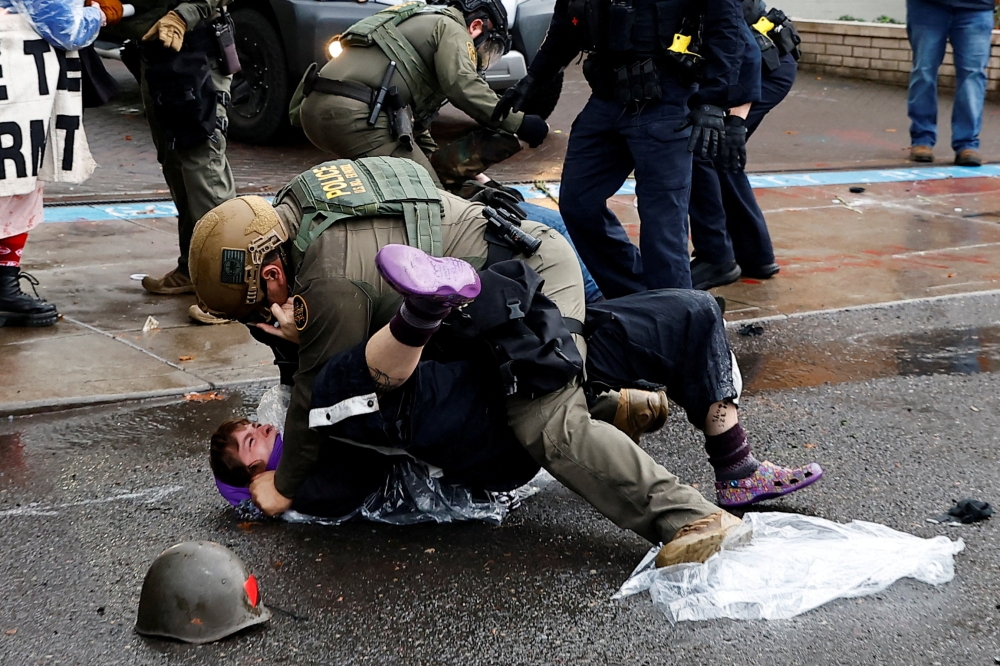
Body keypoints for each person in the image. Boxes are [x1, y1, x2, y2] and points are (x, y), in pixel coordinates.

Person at [190, 157, 822, 565]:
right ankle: (613, 403)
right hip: (497, 267)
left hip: (524, 278)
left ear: (273, 270)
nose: (259, 320)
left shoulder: (327, 282)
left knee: (542, 418)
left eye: (256, 306)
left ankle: (691, 520)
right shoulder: (300, 204)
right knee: (494, 387)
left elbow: (318, 400)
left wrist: (285, 486)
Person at [494, 0, 747, 297]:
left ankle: (677, 325)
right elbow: (567, 25)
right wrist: (534, 78)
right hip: (607, 98)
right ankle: (636, 299)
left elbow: (727, 29)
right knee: (579, 204)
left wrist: (715, 101)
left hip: (665, 101)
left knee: (661, 232)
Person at [292, 0, 550, 190]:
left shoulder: (414, 18)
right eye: (489, 48)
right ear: (476, 26)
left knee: (408, 183)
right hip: (357, 115)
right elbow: (464, 86)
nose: (483, 59)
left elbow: (413, 130)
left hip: (314, 109)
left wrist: (464, 174)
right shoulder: (451, 28)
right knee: (428, 195)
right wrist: (520, 123)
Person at [100, 0, 237, 308]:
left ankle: (230, 289)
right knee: (178, 167)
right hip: (158, 58)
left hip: (195, 51)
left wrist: (183, 14)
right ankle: (194, 268)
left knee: (203, 168)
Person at [0, 0, 115, 327]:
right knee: (16, 183)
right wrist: (101, 14)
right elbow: (65, 27)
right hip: (15, 84)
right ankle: (4, 287)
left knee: (15, 184)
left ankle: (4, 286)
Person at [688, 1, 800, 290]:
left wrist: (736, 122)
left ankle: (717, 258)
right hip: (745, 66)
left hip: (763, 67)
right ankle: (755, 255)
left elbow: (743, 55)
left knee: (704, 148)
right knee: (719, 156)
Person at [906, 0, 995, 166]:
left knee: (972, 76)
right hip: (927, 8)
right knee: (924, 71)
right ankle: (922, 139)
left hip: (977, 8)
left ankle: (967, 144)